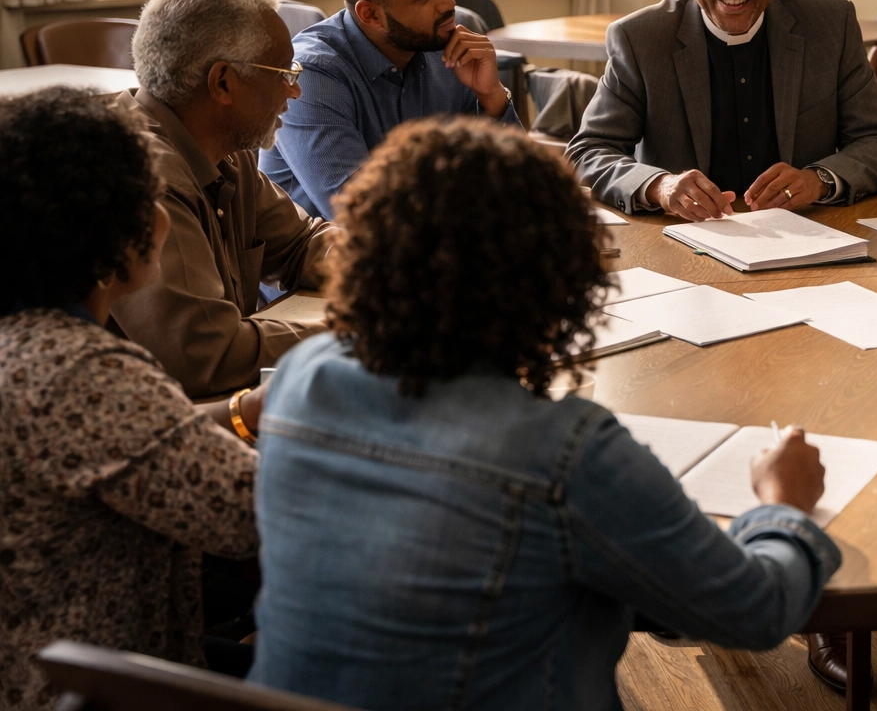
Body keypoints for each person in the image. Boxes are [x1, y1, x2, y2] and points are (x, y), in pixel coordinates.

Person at [250, 117, 841, 711]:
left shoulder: (303, 375)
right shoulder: (566, 451)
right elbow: (755, 612)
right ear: (552, 280)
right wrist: (782, 505)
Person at [0, 88, 269, 711]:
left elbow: (114, 443)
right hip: (104, 689)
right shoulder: (87, 375)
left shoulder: (29, 346)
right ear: (131, 229)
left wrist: (236, 416)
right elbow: (257, 515)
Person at [567, 0, 877, 218]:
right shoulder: (640, 38)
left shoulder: (830, 24)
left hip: (811, 232)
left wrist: (818, 180)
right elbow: (588, 152)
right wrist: (661, 185)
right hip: (682, 237)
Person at [110, 0, 334, 398]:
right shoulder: (139, 176)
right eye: (284, 73)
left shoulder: (227, 149)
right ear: (223, 83)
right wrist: (353, 331)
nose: (295, 89)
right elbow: (206, 355)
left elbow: (301, 244)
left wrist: (391, 272)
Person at [259, 0, 521, 218]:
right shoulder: (314, 76)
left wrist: (492, 97)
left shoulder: (447, 46)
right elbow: (365, 217)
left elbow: (519, 185)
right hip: (332, 259)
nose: (448, 2)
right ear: (370, 15)